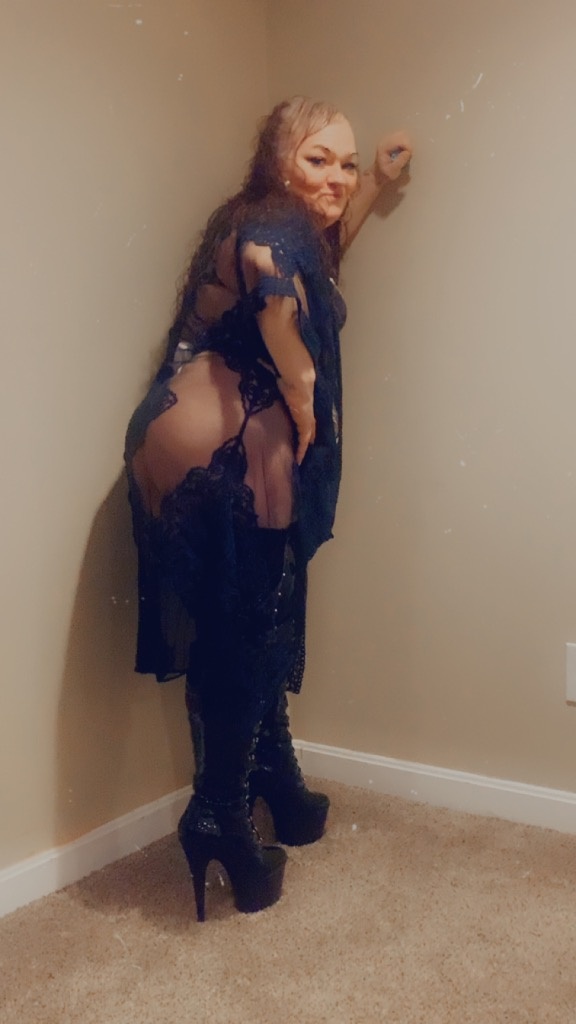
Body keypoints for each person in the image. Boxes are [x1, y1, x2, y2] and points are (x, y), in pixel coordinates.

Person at [124, 97, 412, 921]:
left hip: (191, 442)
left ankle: (274, 781)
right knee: (246, 631)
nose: (337, 177)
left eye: (346, 162)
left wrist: (372, 186)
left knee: (254, 617)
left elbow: (310, 253)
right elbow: (269, 265)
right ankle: (219, 813)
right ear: (277, 160)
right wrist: (303, 384)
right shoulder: (269, 224)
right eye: (318, 159)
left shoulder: (282, 219)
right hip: (228, 452)